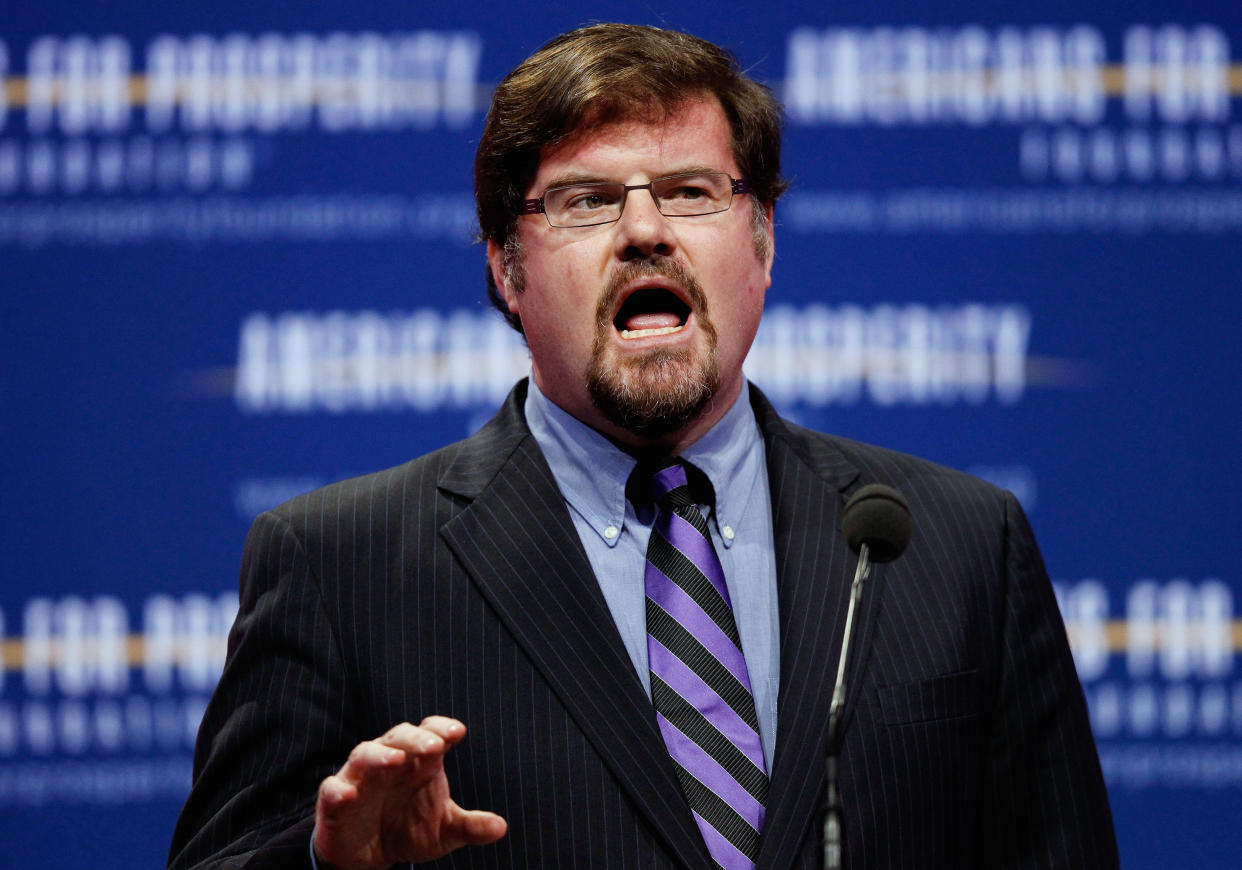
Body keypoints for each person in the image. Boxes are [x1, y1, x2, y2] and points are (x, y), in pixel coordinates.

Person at [168, 23, 1119, 870]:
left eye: (691, 191)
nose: (645, 231)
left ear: (764, 243)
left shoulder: (956, 543)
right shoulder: (341, 563)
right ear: (507, 268)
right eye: (584, 201)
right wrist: (326, 869)